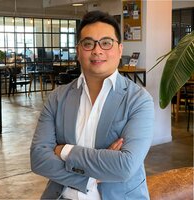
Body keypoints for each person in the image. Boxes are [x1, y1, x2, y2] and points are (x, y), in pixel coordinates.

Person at [30, 10, 154, 200]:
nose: (97, 50)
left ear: (120, 49)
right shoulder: (57, 97)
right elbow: (38, 159)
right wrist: (90, 178)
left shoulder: (138, 100)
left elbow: (124, 166)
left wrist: (64, 150)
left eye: (106, 43)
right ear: (79, 51)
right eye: (88, 44)